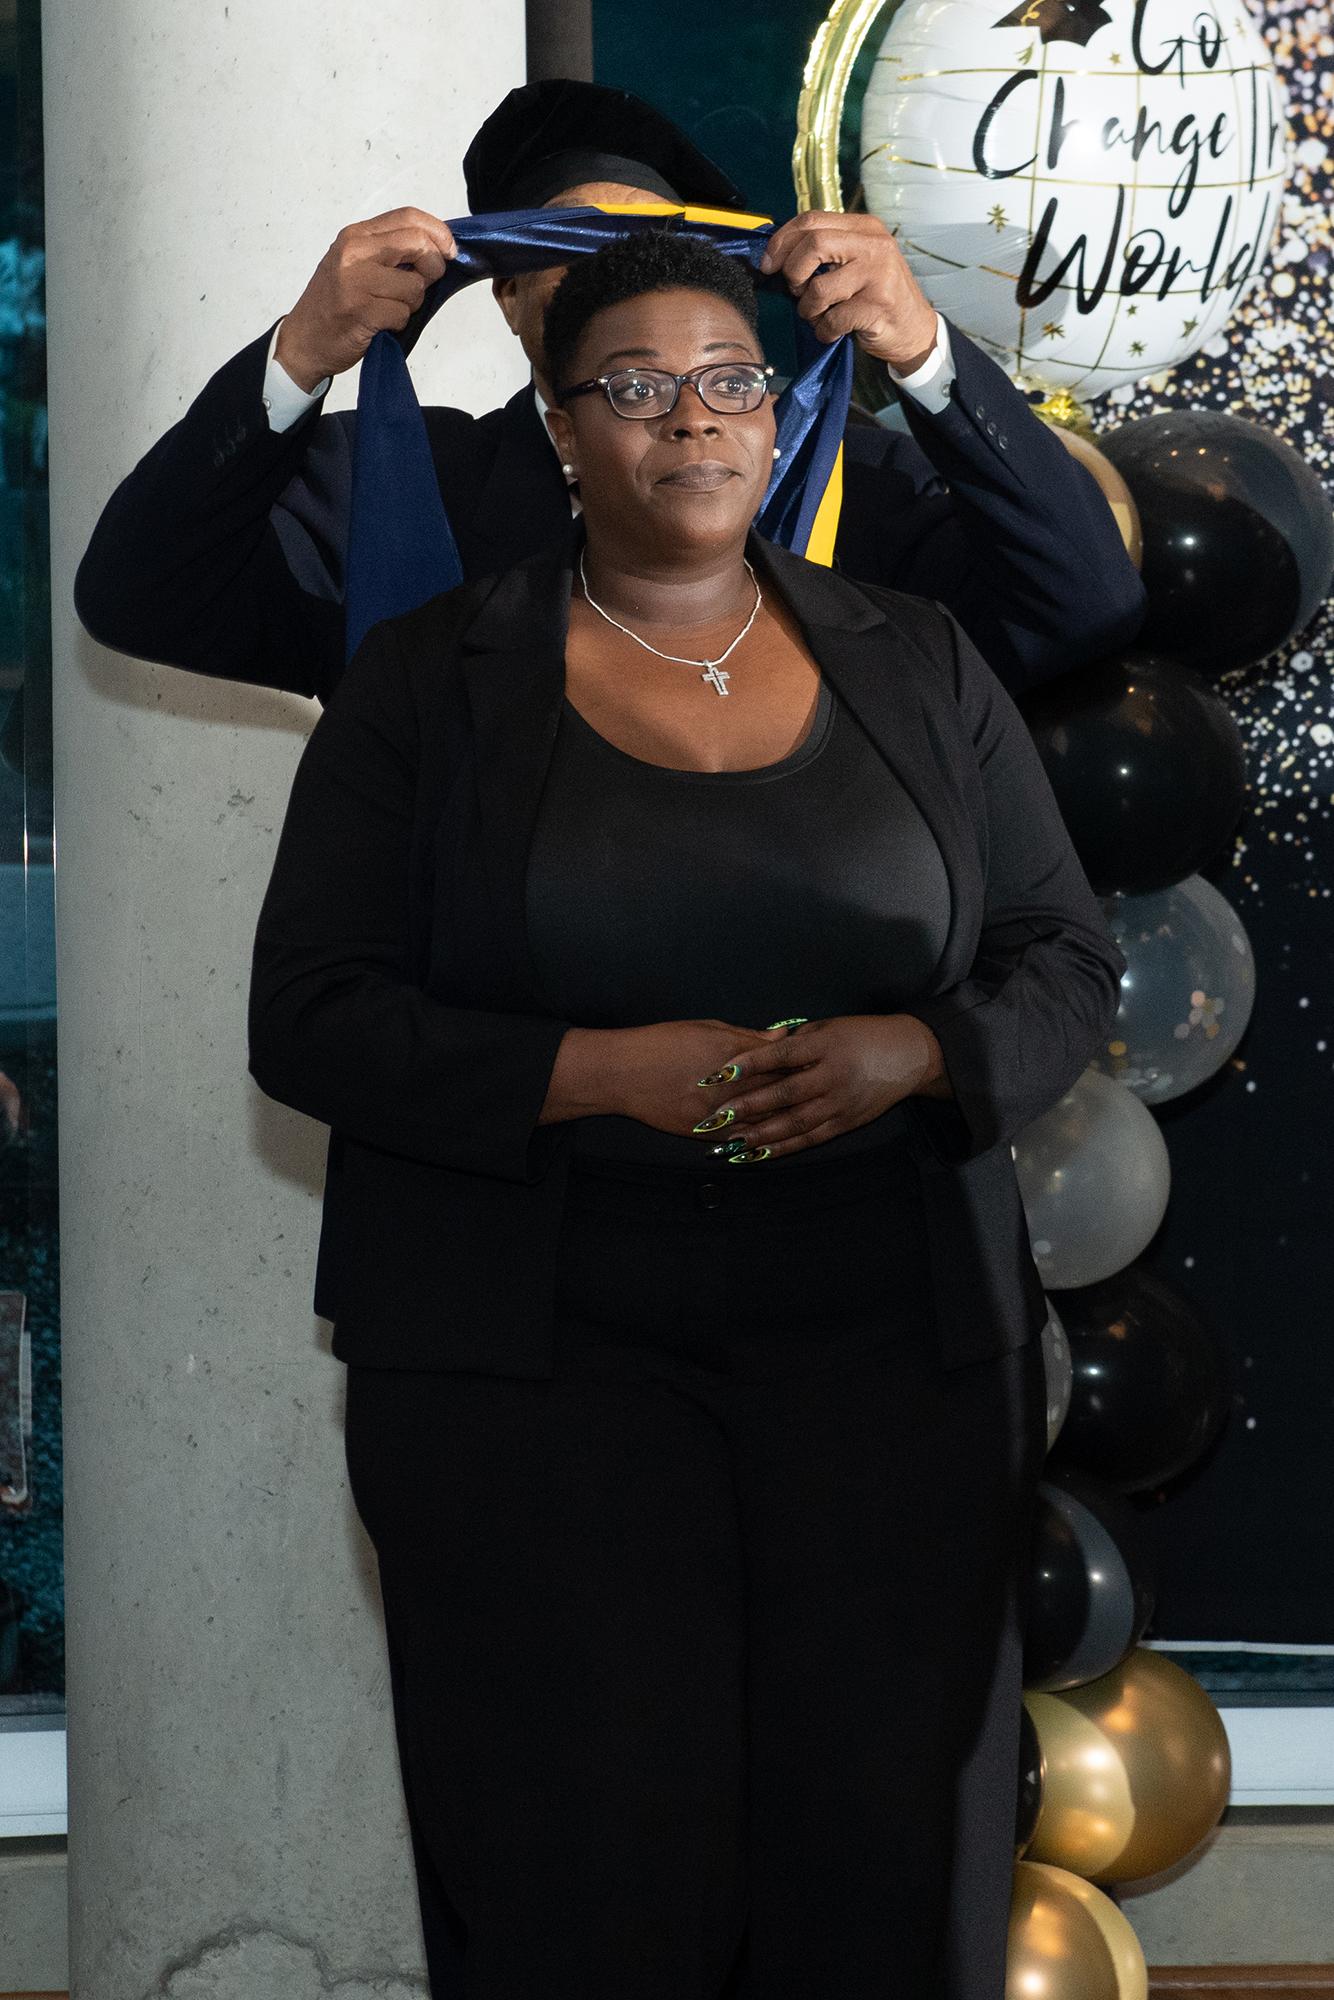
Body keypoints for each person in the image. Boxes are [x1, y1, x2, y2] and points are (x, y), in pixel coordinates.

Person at [247, 228, 1125, 1999]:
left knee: (879, 1862)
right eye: (634, 387)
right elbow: (310, 1016)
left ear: (778, 416)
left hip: (892, 1357)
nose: (691, 419)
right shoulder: (429, 675)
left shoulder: (918, 656)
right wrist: (594, 1073)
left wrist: (915, 1054)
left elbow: (1063, 960)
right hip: (532, 1363)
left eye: (729, 381)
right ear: (560, 430)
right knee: (585, 1869)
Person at [73, 79, 1145, 706]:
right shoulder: (393, 491)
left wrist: (923, 356)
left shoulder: (846, 482)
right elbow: (137, 594)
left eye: (650, 255)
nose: (620, 288)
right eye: (572, 255)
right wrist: (300, 354)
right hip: (489, 1018)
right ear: (504, 299)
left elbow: (1079, 600)